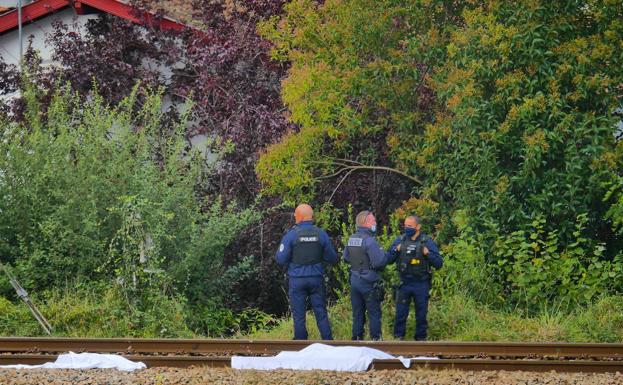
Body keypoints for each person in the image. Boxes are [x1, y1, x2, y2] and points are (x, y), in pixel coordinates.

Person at [276, 204, 337, 340]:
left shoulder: (291, 235)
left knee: (299, 314)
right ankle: (328, 342)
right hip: (316, 278)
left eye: (296, 215)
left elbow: (280, 259)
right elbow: (332, 257)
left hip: (297, 280)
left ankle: (300, 342)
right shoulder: (321, 234)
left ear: (299, 217)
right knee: (321, 311)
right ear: (311, 217)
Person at [387, 215, 443, 341]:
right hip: (404, 282)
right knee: (400, 314)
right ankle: (398, 339)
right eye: (405, 225)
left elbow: (439, 263)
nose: (407, 228)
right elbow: (388, 259)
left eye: (410, 226)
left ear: (418, 227)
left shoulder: (426, 241)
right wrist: (396, 250)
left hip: (421, 283)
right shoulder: (400, 240)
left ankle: (420, 340)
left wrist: (428, 253)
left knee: (421, 314)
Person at [343, 210, 387, 340]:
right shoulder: (370, 241)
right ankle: (376, 341)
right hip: (369, 282)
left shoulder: (351, 239)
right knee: (374, 313)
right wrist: (384, 255)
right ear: (366, 223)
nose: (375, 223)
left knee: (358, 313)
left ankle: (356, 340)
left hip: (355, 281)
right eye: (373, 221)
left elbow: (346, 258)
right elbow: (379, 263)